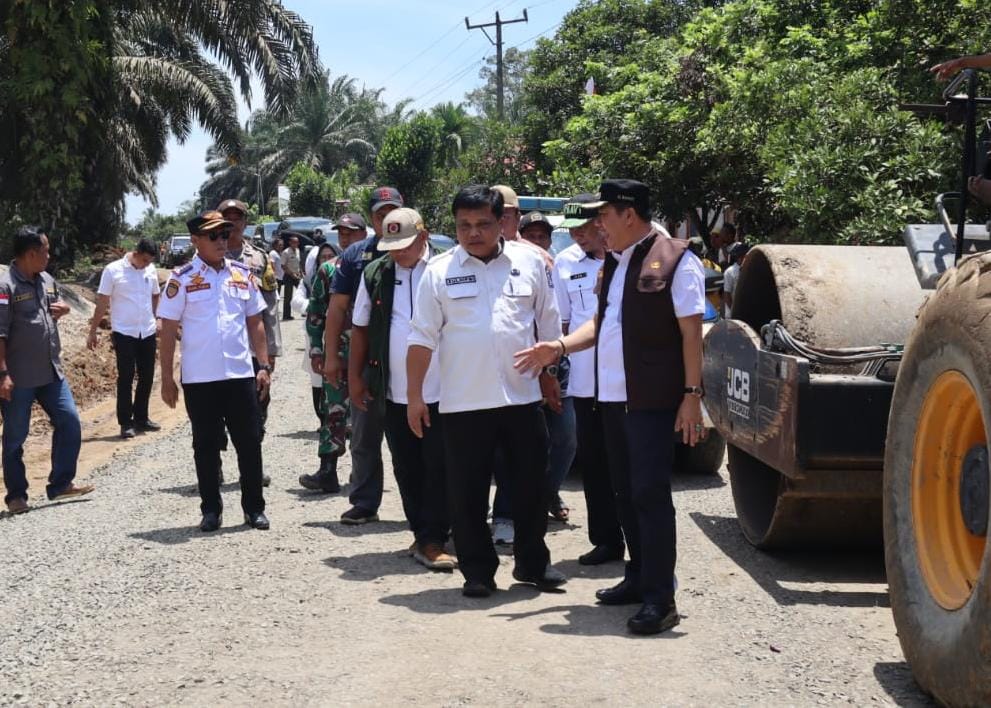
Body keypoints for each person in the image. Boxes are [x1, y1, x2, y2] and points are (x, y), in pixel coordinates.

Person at [515, 179, 706, 635]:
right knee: (623, 491)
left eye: (603, 215)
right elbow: (601, 324)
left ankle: (661, 600)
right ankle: (638, 578)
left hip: (653, 402)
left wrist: (692, 397)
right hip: (613, 400)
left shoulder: (678, 259)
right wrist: (558, 347)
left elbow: (691, 331)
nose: (597, 224)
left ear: (629, 214)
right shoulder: (616, 263)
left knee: (650, 496)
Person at [408, 184, 566, 598]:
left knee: (532, 488)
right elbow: (421, 338)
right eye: (464, 225)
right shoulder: (438, 272)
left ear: (502, 223)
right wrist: (414, 397)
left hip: (523, 398)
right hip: (464, 403)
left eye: (482, 224)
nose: (473, 233)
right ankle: (478, 571)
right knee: (467, 493)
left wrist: (549, 375)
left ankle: (533, 565)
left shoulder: (530, 263)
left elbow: (547, 324)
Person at [349, 208, 455, 570]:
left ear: (424, 237)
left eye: (404, 245)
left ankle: (437, 534)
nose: (397, 253)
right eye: (391, 246)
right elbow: (360, 328)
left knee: (442, 464)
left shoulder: (447, 269)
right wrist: (355, 378)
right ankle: (426, 536)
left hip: (446, 388)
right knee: (408, 465)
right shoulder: (376, 274)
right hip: (394, 390)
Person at [158, 210, 273, 532]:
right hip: (200, 378)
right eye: (214, 236)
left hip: (239, 374)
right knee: (206, 447)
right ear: (196, 241)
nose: (223, 241)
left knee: (249, 443)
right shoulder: (180, 278)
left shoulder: (242, 273)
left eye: (225, 234)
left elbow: (255, 322)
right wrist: (167, 379)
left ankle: (254, 509)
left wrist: (262, 365)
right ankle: (211, 510)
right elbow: (167, 330)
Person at [323, 187, 404, 525]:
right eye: (379, 212)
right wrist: (331, 357)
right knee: (365, 434)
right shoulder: (355, 255)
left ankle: (426, 505)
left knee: (413, 438)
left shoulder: (419, 251)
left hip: (408, 357)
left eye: (392, 210)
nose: (386, 218)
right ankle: (365, 502)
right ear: (371, 218)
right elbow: (337, 308)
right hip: (367, 357)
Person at [0, 226, 93, 514]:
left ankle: (61, 483)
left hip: (52, 372)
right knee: (15, 437)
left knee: (70, 421)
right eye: (46, 251)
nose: (49, 256)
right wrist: (3, 374)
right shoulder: (5, 288)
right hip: (19, 377)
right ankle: (17, 495)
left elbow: (51, 312)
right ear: (31, 254)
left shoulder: (47, 280)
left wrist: (64, 311)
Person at [554, 193, 624, 565]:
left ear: (602, 222)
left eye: (583, 228)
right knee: (596, 464)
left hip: (626, 382)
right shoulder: (565, 263)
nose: (577, 236)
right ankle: (606, 541)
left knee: (628, 465)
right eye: (572, 230)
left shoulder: (631, 258)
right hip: (585, 381)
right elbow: (563, 323)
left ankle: (640, 544)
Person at [298, 220, 367, 493]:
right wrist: (317, 350)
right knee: (333, 411)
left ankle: (364, 475)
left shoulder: (376, 265)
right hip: (337, 353)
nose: (346, 237)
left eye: (352, 232)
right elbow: (316, 313)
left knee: (369, 414)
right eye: (342, 233)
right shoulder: (329, 270)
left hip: (370, 354)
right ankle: (328, 472)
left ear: (364, 234)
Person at [520, 211, 576, 523]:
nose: (537, 242)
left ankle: (549, 491)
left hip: (557, 363)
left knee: (566, 437)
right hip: (523, 366)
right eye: (532, 236)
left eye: (543, 237)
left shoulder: (558, 267)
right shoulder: (512, 267)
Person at [87, 238, 162, 439]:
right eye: (145, 260)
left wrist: (158, 317)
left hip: (146, 330)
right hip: (124, 332)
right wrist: (93, 330)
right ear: (136, 253)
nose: (147, 264)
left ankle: (141, 418)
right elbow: (103, 301)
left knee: (147, 375)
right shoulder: (113, 271)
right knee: (126, 377)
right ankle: (125, 422)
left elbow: (156, 295)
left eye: (149, 261)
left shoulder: (151, 269)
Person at [220, 199, 283, 437]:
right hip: (221, 347)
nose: (233, 223)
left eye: (238, 218)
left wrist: (272, 349)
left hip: (254, 348)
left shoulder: (259, 258)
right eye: (228, 218)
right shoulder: (208, 255)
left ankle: (253, 458)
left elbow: (270, 305)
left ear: (245, 223)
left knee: (258, 402)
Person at [722, 241, 750, 318]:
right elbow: (727, 295)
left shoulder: (750, 269)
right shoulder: (730, 272)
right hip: (733, 315)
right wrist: (734, 312)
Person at [281, 233, 302, 321]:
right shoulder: (286, 252)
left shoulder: (298, 251)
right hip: (289, 276)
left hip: (297, 275)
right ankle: (286, 315)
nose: (295, 244)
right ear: (290, 243)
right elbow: (283, 266)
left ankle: (305, 311)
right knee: (288, 296)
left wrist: (301, 272)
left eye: (297, 243)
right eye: (294, 242)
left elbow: (298, 263)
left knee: (303, 292)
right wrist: (291, 274)